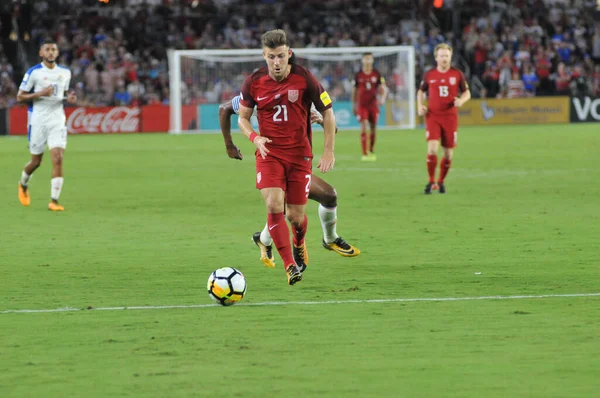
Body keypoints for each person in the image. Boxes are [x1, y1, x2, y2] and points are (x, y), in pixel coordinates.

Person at [238, 29, 336, 285]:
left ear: (289, 54)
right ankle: (290, 265)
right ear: (264, 56)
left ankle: (299, 242)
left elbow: (328, 112)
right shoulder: (253, 82)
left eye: (281, 56)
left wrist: (328, 151)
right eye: (272, 57)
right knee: (273, 204)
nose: (277, 62)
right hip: (269, 153)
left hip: (299, 156)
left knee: (294, 216)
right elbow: (242, 118)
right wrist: (254, 138)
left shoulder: (305, 79)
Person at [219, 95, 360, 269]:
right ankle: (293, 254)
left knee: (329, 196)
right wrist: (229, 145)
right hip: (272, 165)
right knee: (288, 209)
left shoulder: (304, 91)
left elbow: (334, 128)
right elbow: (224, 108)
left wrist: (321, 120)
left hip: (298, 165)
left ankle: (329, 239)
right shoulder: (262, 93)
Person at [17, 38, 77, 211]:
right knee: (36, 161)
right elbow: (20, 97)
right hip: (38, 120)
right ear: (41, 53)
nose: (51, 52)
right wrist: (41, 93)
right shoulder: (34, 72)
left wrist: (70, 99)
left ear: (57, 53)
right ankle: (23, 184)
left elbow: (63, 94)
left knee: (58, 158)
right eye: (47, 49)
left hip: (57, 119)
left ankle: (54, 201)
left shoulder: (65, 72)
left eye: (53, 49)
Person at [417, 43, 470, 194]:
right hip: (433, 116)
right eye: (441, 55)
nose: (444, 58)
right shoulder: (429, 74)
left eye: (447, 55)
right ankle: (430, 181)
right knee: (432, 148)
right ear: (436, 58)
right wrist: (420, 106)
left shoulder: (457, 74)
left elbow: (467, 92)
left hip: (450, 118)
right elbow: (420, 92)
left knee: (448, 154)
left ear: (450, 57)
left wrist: (461, 100)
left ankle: (441, 182)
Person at [352, 52, 388, 161]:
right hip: (362, 105)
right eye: (366, 59)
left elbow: (383, 88)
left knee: (373, 128)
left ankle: (371, 150)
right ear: (362, 60)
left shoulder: (377, 74)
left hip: (373, 105)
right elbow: (354, 91)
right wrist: (354, 104)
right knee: (363, 126)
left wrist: (382, 98)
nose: (368, 61)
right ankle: (364, 153)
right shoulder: (358, 75)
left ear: (372, 60)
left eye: (370, 59)